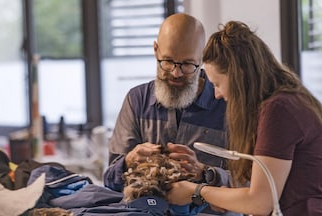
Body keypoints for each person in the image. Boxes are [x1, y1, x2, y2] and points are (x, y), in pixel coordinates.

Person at [166, 20, 322, 215]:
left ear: (239, 76)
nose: (217, 95)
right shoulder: (288, 101)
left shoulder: (279, 110)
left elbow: (260, 202)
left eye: (218, 84)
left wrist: (195, 191)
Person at [103, 13, 240, 215]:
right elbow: (109, 181)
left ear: (202, 57)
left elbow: (252, 186)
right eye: (167, 61)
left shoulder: (229, 105)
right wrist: (128, 161)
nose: (176, 73)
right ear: (155, 50)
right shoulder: (137, 100)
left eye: (187, 64)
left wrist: (206, 173)